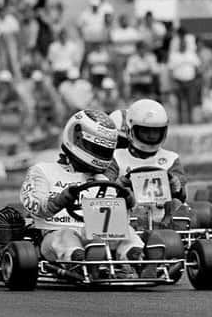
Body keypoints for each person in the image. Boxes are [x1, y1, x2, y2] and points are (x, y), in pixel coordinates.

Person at [19, 109, 145, 276]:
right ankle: (78, 260)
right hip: (54, 233)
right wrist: (61, 200)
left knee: (126, 230)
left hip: (98, 235)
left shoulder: (102, 179)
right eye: (94, 148)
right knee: (65, 237)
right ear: (75, 138)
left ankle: (136, 257)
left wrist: (128, 200)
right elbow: (35, 206)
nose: (99, 155)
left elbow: (118, 216)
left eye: (103, 151)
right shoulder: (43, 170)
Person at [106, 98, 187, 203]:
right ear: (131, 130)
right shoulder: (117, 157)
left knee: (177, 204)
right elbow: (104, 190)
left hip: (165, 214)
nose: (151, 136)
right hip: (128, 213)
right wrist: (118, 185)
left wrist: (176, 187)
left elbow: (182, 194)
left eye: (156, 131)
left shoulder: (171, 159)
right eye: (145, 131)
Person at [167, 35, 200, 124]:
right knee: (180, 103)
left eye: (184, 44)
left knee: (190, 102)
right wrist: (172, 83)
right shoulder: (174, 56)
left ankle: (190, 121)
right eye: (181, 44)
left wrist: (196, 80)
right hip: (178, 81)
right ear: (179, 45)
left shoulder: (191, 55)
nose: (183, 45)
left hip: (190, 81)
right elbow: (170, 70)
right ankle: (181, 122)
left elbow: (197, 69)